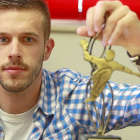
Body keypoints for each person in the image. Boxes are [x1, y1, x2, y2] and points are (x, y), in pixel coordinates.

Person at [0, 0, 139, 140]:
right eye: (3, 39)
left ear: (47, 49)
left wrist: (137, 44)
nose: (14, 52)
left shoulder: (78, 97)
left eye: (28, 39)